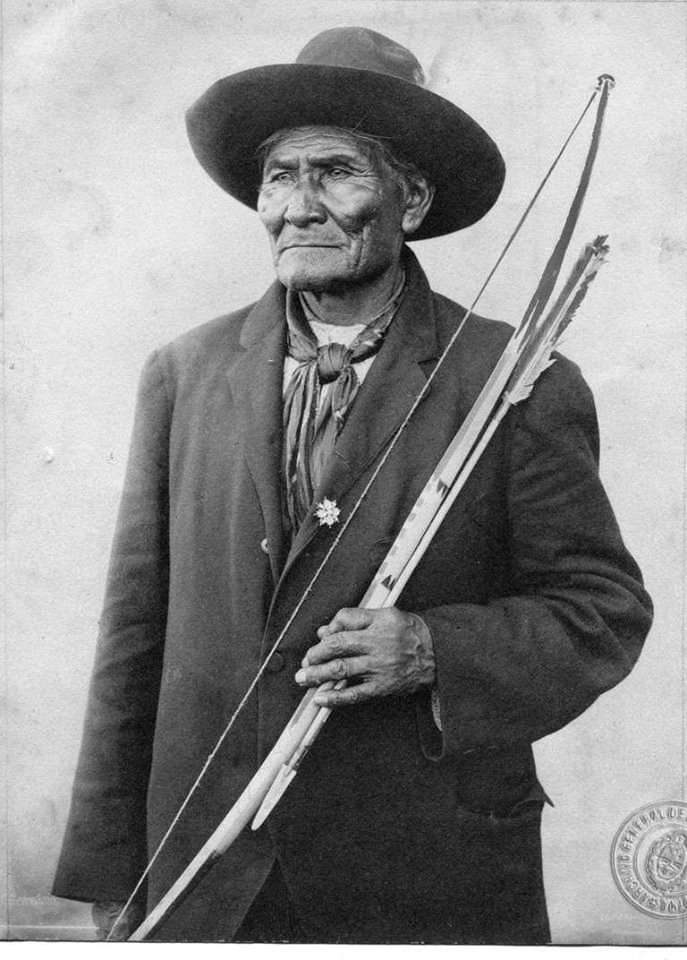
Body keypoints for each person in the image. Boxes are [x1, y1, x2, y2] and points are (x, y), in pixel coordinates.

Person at [52, 27, 653, 944]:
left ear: (410, 198)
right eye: (278, 178)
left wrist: (433, 648)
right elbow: (133, 638)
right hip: (205, 875)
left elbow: (600, 611)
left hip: (424, 872)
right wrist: (110, 875)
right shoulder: (184, 373)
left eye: (334, 173)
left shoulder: (514, 378)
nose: (297, 207)